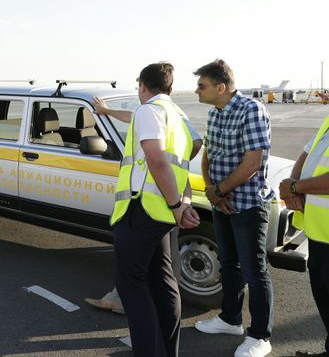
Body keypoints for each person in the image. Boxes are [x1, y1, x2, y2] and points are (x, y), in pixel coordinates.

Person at [111, 62, 200, 357]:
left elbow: (157, 160)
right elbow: (195, 145)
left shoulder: (148, 110)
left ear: (142, 86)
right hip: (161, 212)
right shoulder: (178, 114)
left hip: (142, 210)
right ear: (171, 88)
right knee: (162, 283)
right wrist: (180, 199)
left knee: (131, 285)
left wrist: (177, 204)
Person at [86, 96, 203, 315]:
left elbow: (160, 156)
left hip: (151, 200)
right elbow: (195, 142)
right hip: (170, 194)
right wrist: (107, 111)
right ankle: (158, 309)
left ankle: (127, 304)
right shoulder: (172, 112)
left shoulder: (153, 112)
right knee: (164, 259)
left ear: (144, 87)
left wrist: (168, 166)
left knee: (138, 264)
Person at [193, 59, 273, 357]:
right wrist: (212, 191)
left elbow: (253, 162)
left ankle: (261, 336)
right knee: (229, 263)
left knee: (254, 269)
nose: (197, 90)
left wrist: (220, 190)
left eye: (202, 85)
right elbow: (207, 157)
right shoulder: (215, 114)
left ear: (221, 87)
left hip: (249, 203)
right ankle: (230, 319)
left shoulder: (251, 110)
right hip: (221, 201)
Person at [279, 116, 329, 357]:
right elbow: (305, 154)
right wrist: (293, 184)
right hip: (319, 232)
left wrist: (295, 188)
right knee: (322, 293)